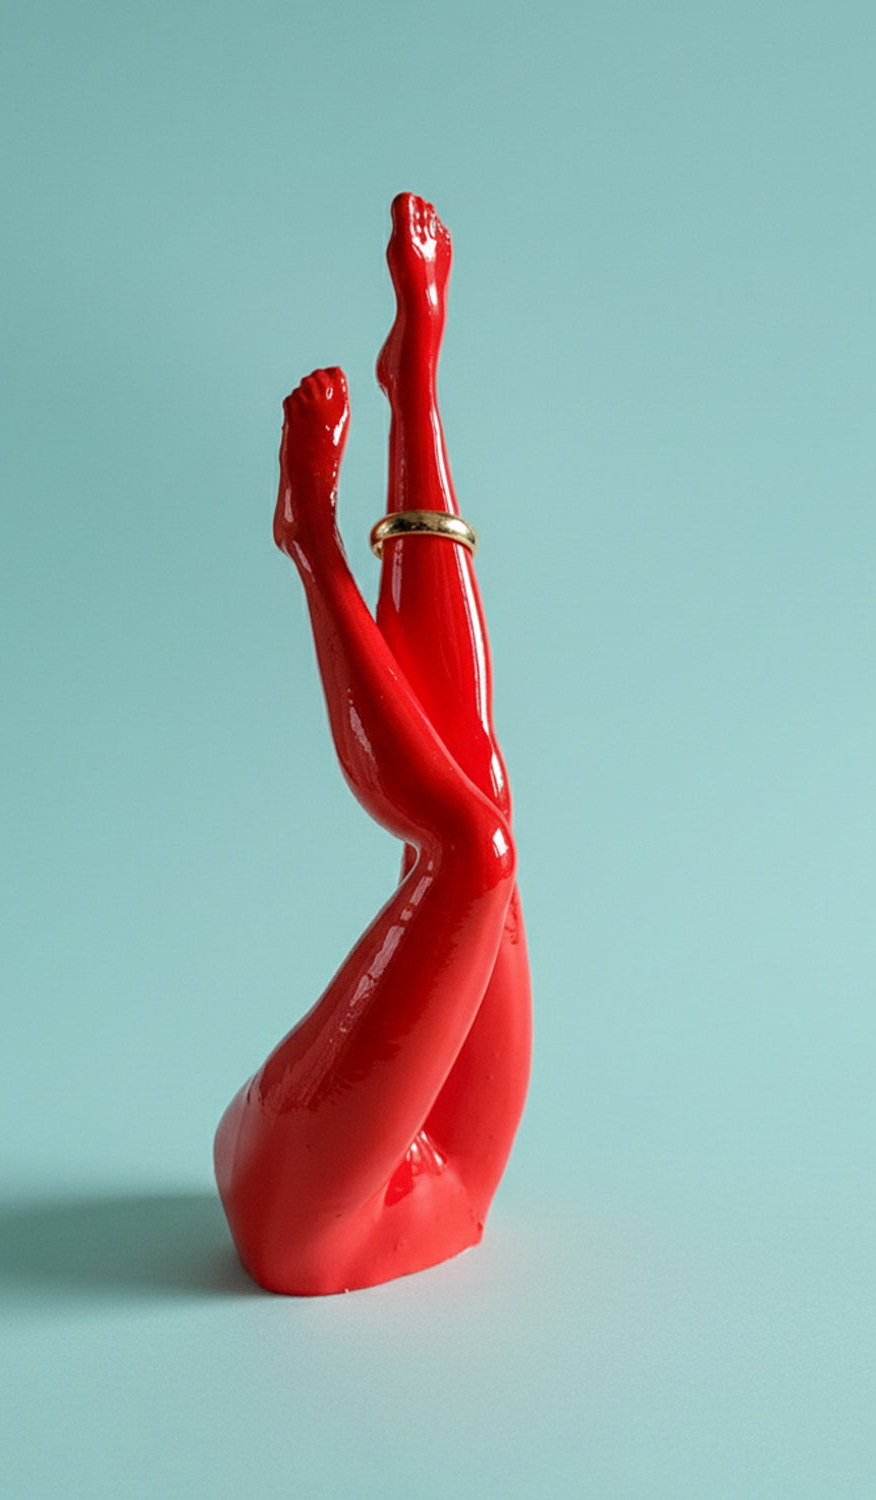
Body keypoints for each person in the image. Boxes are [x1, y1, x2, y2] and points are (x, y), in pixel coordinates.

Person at [214, 194, 532, 1295]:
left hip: (305, 1213)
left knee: (469, 845)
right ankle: (417, 397)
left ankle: (313, 538)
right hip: (412, 1187)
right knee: (481, 802)